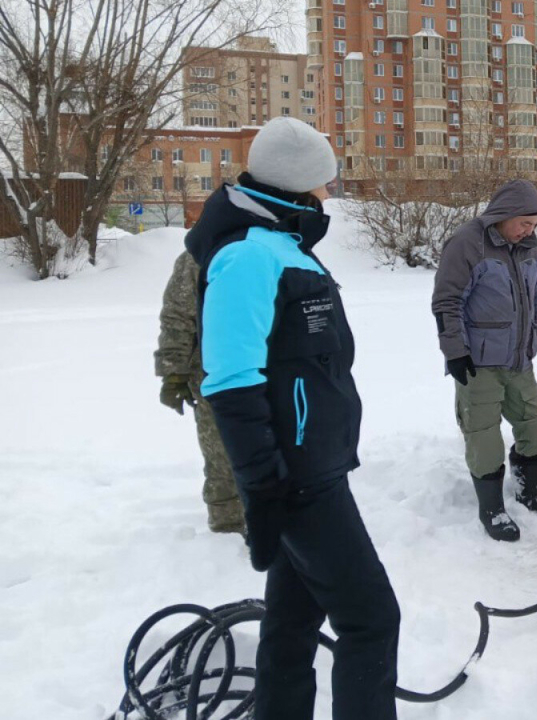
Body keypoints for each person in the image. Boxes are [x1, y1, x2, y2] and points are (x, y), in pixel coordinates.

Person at [186, 117, 400, 719]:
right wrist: (265, 485)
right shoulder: (250, 255)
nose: (331, 192)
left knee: (294, 618)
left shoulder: (283, 242)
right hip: (299, 478)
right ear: (302, 185)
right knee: (371, 619)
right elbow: (231, 380)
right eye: (326, 182)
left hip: (314, 466)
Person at [431, 179, 537, 542]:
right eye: (525, 223)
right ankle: (491, 510)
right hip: (477, 364)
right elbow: (447, 302)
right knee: (484, 437)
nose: (530, 231)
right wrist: (455, 352)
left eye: (535, 225)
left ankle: (530, 492)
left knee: (536, 427)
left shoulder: (528, 249)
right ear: (504, 215)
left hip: (519, 358)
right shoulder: (468, 243)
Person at [155, 250, 245, 535]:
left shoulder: (276, 247)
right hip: (215, 378)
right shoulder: (201, 255)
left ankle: (281, 524)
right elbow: (178, 316)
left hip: (277, 375)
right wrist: (174, 372)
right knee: (222, 456)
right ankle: (227, 528)